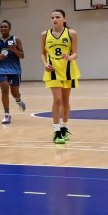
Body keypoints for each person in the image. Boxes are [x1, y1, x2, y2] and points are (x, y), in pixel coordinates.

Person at [41, 9, 80, 144]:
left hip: (68, 69)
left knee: (65, 100)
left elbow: (75, 53)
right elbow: (42, 53)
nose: (55, 19)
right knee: (57, 100)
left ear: (64, 19)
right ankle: (56, 131)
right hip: (52, 70)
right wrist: (45, 63)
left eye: (58, 17)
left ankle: (64, 127)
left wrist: (69, 57)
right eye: (52, 17)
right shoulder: (45, 34)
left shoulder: (71, 33)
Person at [0, 20, 26, 124]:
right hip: (1, 69)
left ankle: (18, 100)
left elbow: (22, 56)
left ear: (10, 28)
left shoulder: (16, 39)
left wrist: (14, 50)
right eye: (1, 27)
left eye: (5, 27)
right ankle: (7, 114)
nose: (3, 28)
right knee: (4, 89)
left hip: (14, 70)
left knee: (15, 93)